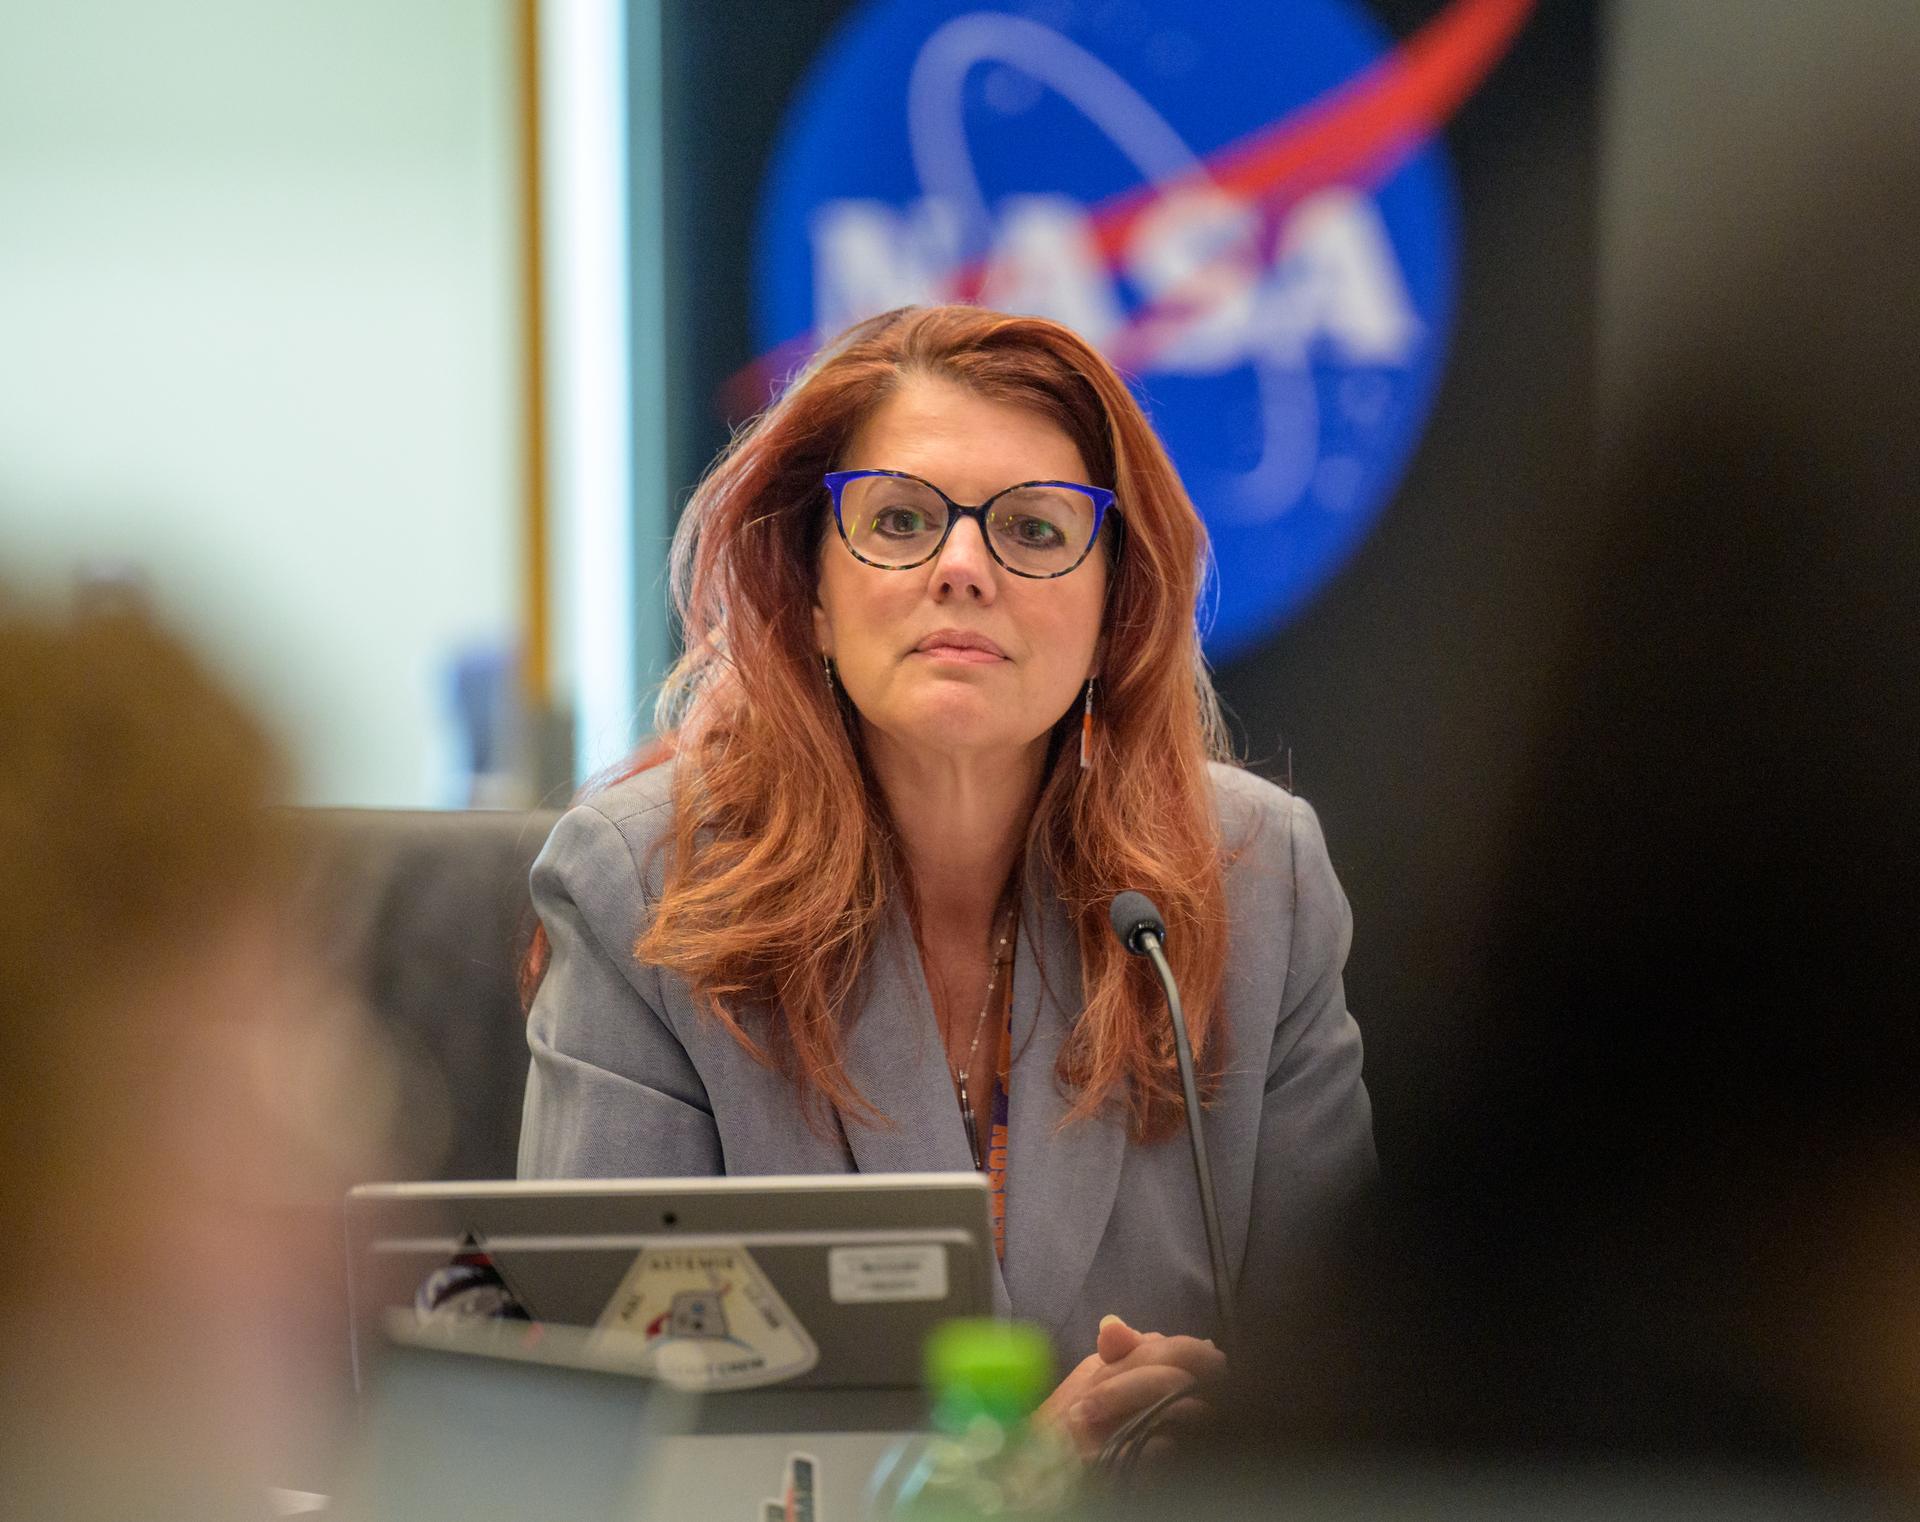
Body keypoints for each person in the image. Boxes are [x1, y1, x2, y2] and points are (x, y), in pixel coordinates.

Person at [517, 304, 1376, 1457]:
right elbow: (592, 1442)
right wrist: (1008, 1483)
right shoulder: (646, 893)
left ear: (1113, 604)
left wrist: (1243, 1429)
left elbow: (1373, 1396)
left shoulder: (1257, 885)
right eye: (903, 520)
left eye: (1031, 529)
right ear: (812, 587)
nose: (963, 568)